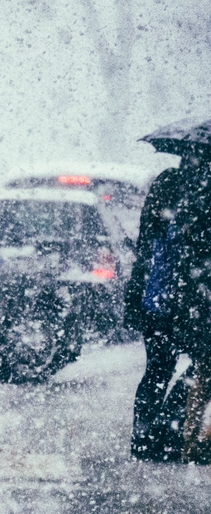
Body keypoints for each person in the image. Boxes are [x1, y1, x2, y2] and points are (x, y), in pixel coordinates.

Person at [124, 145, 211, 462]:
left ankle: (144, 439)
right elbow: (199, 246)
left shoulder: (166, 183)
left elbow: (146, 241)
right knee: (205, 366)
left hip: (155, 297)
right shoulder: (201, 191)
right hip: (189, 300)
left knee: (157, 370)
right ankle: (168, 432)